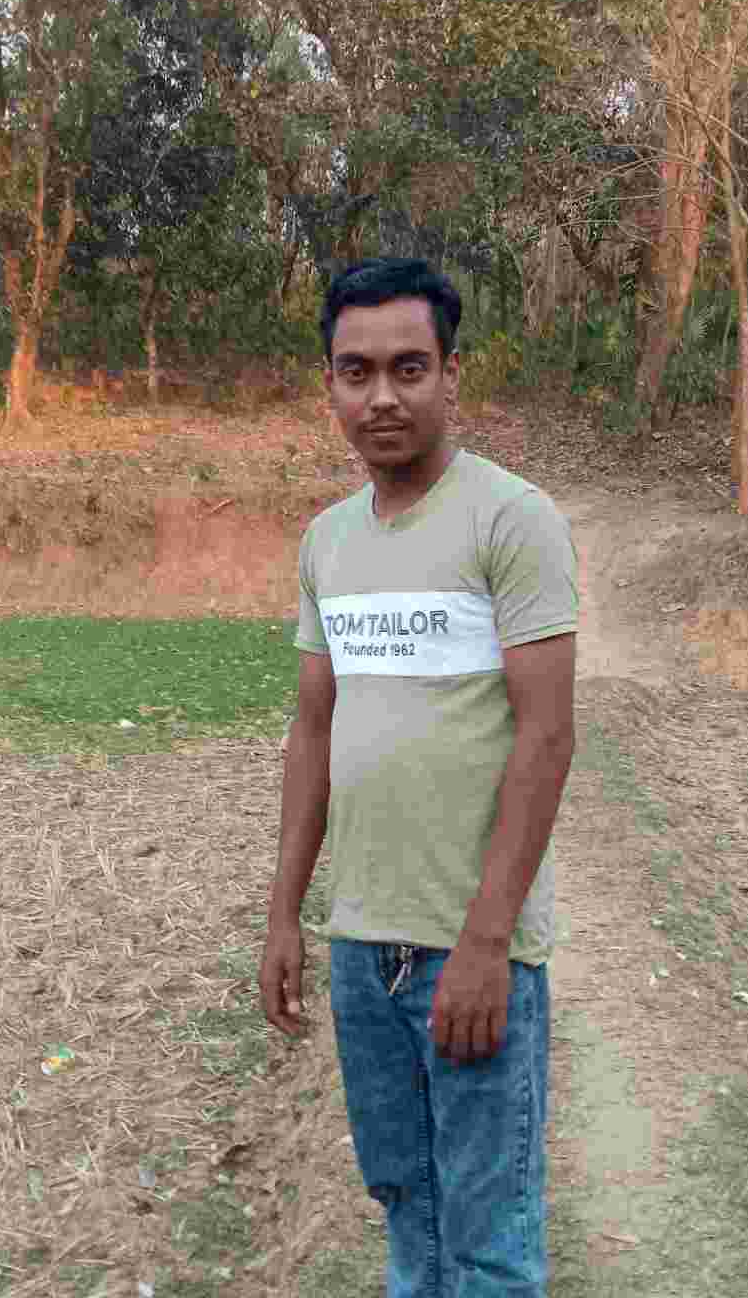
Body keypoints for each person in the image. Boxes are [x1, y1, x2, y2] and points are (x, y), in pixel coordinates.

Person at [259, 257, 578, 1298]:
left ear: (452, 375)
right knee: (407, 1209)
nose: (381, 396)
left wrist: (487, 943)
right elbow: (315, 730)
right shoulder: (327, 543)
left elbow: (547, 737)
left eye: (409, 367)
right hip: (362, 946)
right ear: (329, 385)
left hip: (473, 947)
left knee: (488, 1242)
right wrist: (284, 915)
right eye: (356, 372)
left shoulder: (511, 520)